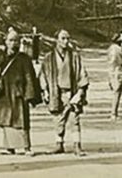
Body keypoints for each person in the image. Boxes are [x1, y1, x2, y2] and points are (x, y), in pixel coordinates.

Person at [0, 27, 42, 156]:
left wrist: (30, 95)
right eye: (10, 40)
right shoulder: (0, 58)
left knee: (22, 120)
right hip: (4, 92)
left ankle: (26, 147)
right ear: (5, 41)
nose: (13, 43)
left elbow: (29, 77)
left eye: (16, 40)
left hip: (19, 93)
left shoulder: (24, 58)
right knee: (6, 120)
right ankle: (9, 147)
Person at [39, 28, 89, 156]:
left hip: (71, 92)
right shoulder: (48, 58)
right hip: (56, 92)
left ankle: (77, 145)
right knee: (58, 119)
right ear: (56, 40)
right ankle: (59, 144)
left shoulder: (74, 57)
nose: (66, 41)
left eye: (67, 38)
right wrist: (45, 91)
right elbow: (43, 75)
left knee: (74, 119)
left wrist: (80, 93)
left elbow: (82, 74)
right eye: (63, 38)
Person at [106, 32, 122, 120]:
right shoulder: (118, 50)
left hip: (112, 71)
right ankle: (114, 113)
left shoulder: (111, 48)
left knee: (116, 92)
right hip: (118, 71)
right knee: (117, 93)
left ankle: (114, 112)